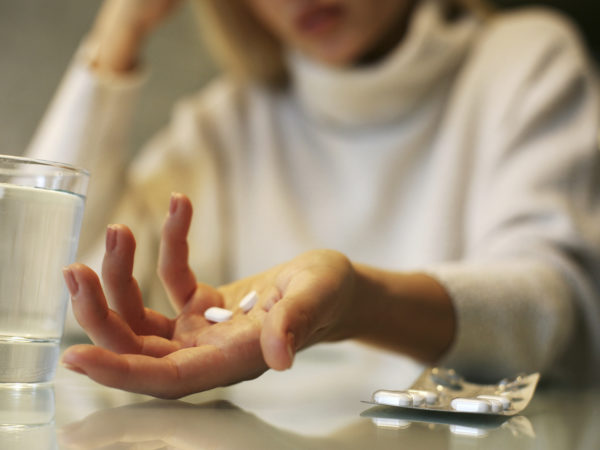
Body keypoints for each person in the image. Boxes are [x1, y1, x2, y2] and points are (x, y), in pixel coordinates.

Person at [27, 0, 600, 399]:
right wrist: (118, 33)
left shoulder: (522, 60)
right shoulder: (228, 122)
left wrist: (361, 304)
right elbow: (39, 282)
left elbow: (556, 308)